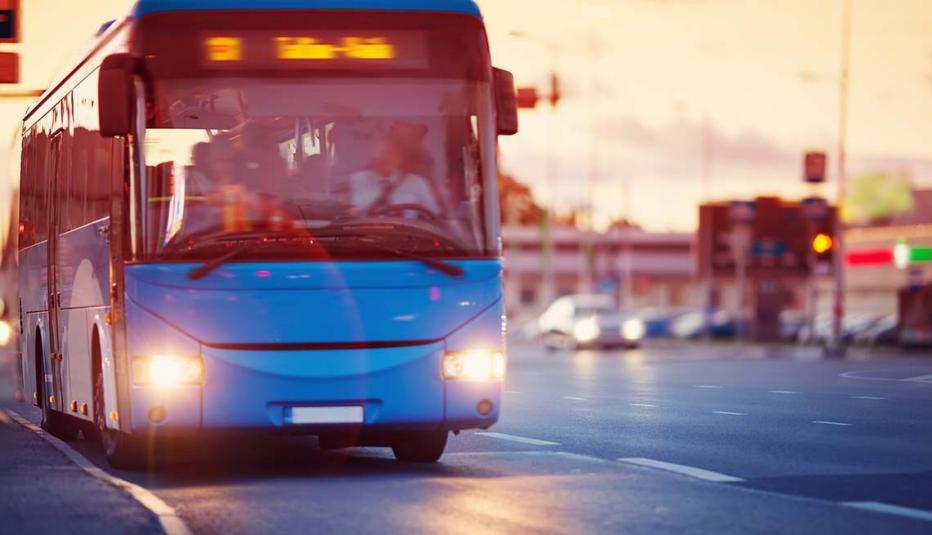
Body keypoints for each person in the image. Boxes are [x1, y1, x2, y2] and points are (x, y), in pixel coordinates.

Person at [349, 122, 440, 217]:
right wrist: (352, 212)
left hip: (407, 231)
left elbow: (434, 217)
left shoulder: (417, 183)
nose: (385, 157)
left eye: (391, 153)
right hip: (363, 231)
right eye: (382, 152)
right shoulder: (357, 179)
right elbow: (346, 213)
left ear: (401, 157)